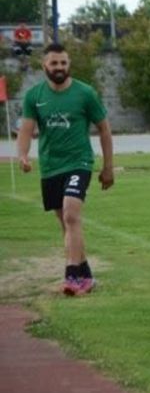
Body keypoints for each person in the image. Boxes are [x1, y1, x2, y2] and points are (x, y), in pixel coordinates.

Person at [17, 43, 114, 296]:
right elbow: (26, 129)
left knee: (71, 215)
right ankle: (87, 275)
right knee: (66, 223)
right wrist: (23, 155)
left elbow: (104, 129)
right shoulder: (34, 97)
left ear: (68, 64)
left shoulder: (85, 93)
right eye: (54, 63)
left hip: (79, 162)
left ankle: (71, 276)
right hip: (50, 166)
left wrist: (108, 167)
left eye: (63, 63)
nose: (59, 68)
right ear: (44, 66)